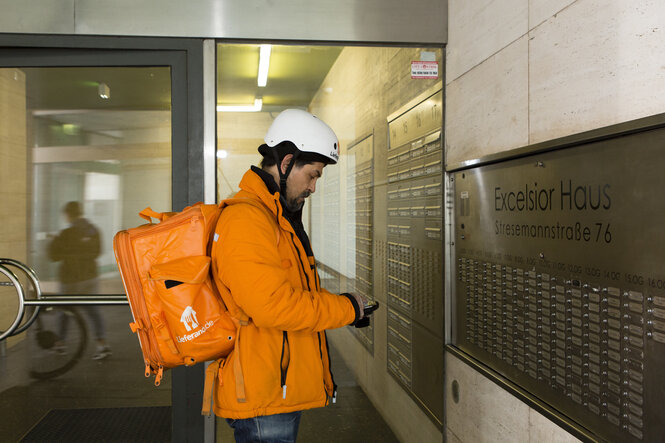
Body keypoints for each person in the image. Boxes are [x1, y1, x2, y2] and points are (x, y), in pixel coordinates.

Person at [210, 109, 369, 442]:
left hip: (275, 386)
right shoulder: (247, 221)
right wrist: (346, 308)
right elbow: (274, 307)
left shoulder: (275, 216)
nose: (312, 187)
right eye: (312, 174)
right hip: (264, 397)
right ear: (285, 163)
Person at [48, 201, 111, 360]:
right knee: (93, 310)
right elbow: (97, 252)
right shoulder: (93, 230)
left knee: (64, 310)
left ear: (67, 214)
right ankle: (102, 344)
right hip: (90, 276)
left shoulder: (67, 233)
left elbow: (54, 256)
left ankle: (60, 344)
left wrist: (55, 240)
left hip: (71, 279)